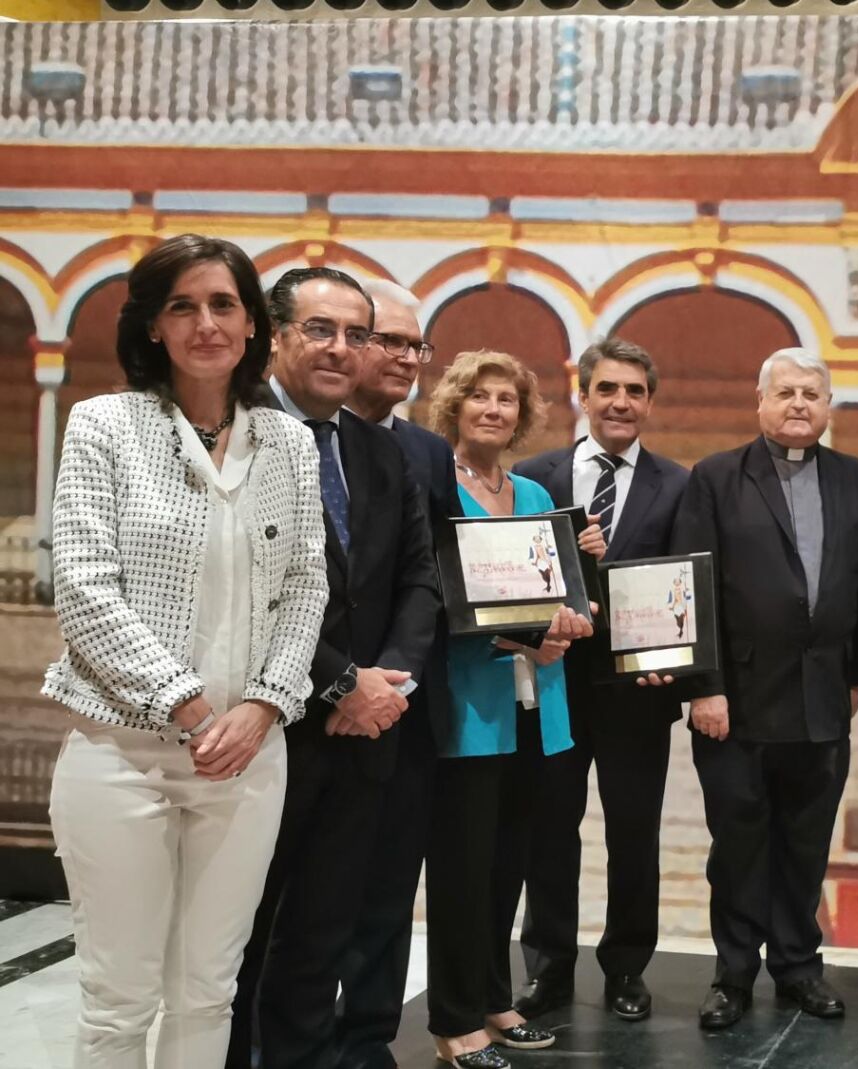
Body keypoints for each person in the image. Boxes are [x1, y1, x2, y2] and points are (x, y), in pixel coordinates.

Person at [43, 234, 328, 1068]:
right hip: (122, 755)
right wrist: (194, 708)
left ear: (252, 325)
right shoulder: (104, 426)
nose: (206, 323)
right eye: (183, 306)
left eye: (223, 304)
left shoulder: (289, 443)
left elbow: (306, 584)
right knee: (118, 999)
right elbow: (85, 590)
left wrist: (263, 706)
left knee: (209, 990)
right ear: (154, 326)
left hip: (247, 759)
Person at [229, 267, 440, 1069]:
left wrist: (390, 679)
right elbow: (252, 585)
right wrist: (342, 682)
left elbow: (419, 577)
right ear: (274, 335)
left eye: (358, 334)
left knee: (322, 935)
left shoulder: (378, 449)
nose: (341, 348)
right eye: (321, 329)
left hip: (365, 736)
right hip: (265, 728)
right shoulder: (235, 435)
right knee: (239, 938)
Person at [671, 347, 858, 1029]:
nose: (799, 404)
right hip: (735, 703)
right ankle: (733, 974)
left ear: (828, 406)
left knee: (806, 842)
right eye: (786, 392)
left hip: (823, 700)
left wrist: (855, 677)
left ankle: (798, 967)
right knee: (738, 845)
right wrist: (704, 687)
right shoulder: (716, 477)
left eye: (811, 394)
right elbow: (694, 585)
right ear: (760, 402)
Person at [511, 338, 690, 1025]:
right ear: (582, 395)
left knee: (634, 833)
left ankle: (627, 967)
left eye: (634, 391)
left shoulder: (679, 484)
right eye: (607, 388)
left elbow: (685, 583)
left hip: (638, 691)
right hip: (553, 682)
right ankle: (548, 966)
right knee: (548, 829)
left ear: (650, 402)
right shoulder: (535, 476)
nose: (620, 402)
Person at [425, 350, 593, 1069]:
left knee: (507, 866)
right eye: (480, 396)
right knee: (462, 870)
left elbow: (563, 594)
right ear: (455, 406)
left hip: (537, 705)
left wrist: (576, 613)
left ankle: (495, 1000)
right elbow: (440, 601)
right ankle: (454, 1019)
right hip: (471, 704)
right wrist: (524, 635)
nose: (494, 410)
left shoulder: (532, 494)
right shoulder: (436, 490)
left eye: (507, 400)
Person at [335, 279, 458, 1069]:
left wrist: (395, 677)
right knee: (306, 896)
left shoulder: (427, 452)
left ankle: (367, 1039)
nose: (408, 358)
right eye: (391, 341)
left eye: (418, 345)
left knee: (387, 888)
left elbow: (436, 573)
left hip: (405, 705)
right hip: (313, 705)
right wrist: (346, 680)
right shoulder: (288, 436)